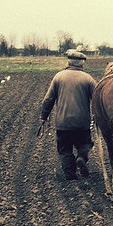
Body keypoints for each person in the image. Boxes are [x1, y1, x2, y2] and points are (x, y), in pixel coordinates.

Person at [41, 50, 97, 180]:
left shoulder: (58, 77)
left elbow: (48, 99)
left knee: (65, 150)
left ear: (68, 61)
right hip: (82, 123)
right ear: (82, 63)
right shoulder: (88, 79)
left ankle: (70, 175)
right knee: (84, 144)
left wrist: (44, 116)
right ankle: (81, 158)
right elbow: (97, 98)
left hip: (63, 123)